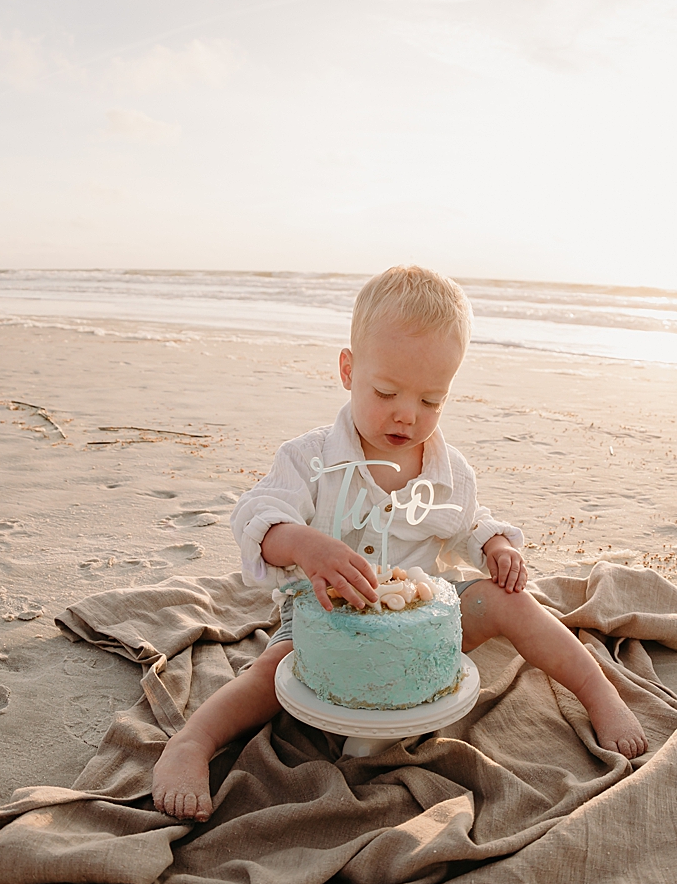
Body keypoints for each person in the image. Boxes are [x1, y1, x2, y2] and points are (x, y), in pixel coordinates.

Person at [152, 266, 648, 820]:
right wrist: (304, 545)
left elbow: (468, 523)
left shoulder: (447, 470)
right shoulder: (309, 459)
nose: (407, 414)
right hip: (322, 621)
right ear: (348, 370)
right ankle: (193, 742)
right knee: (273, 672)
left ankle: (598, 692)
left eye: (432, 400)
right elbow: (258, 518)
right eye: (386, 391)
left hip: (422, 630)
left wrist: (495, 549)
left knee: (509, 601)